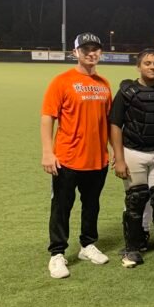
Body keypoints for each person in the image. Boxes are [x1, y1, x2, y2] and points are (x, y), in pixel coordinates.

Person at [41, 32, 112, 279]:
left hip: (97, 159)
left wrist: (115, 152)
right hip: (67, 159)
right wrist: (47, 152)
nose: (91, 53)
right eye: (86, 49)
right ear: (75, 53)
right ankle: (57, 253)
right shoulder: (61, 81)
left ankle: (87, 245)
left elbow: (108, 121)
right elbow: (48, 117)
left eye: (95, 49)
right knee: (61, 207)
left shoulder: (104, 84)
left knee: (92, 205)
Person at [110, 49, 154, 268]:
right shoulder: (126, 91)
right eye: (147, 63)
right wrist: (119, 158)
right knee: (135, 200)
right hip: (133, 152)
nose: (152, 67)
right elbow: (115, 125)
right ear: (138, 66)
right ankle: (132, 248)